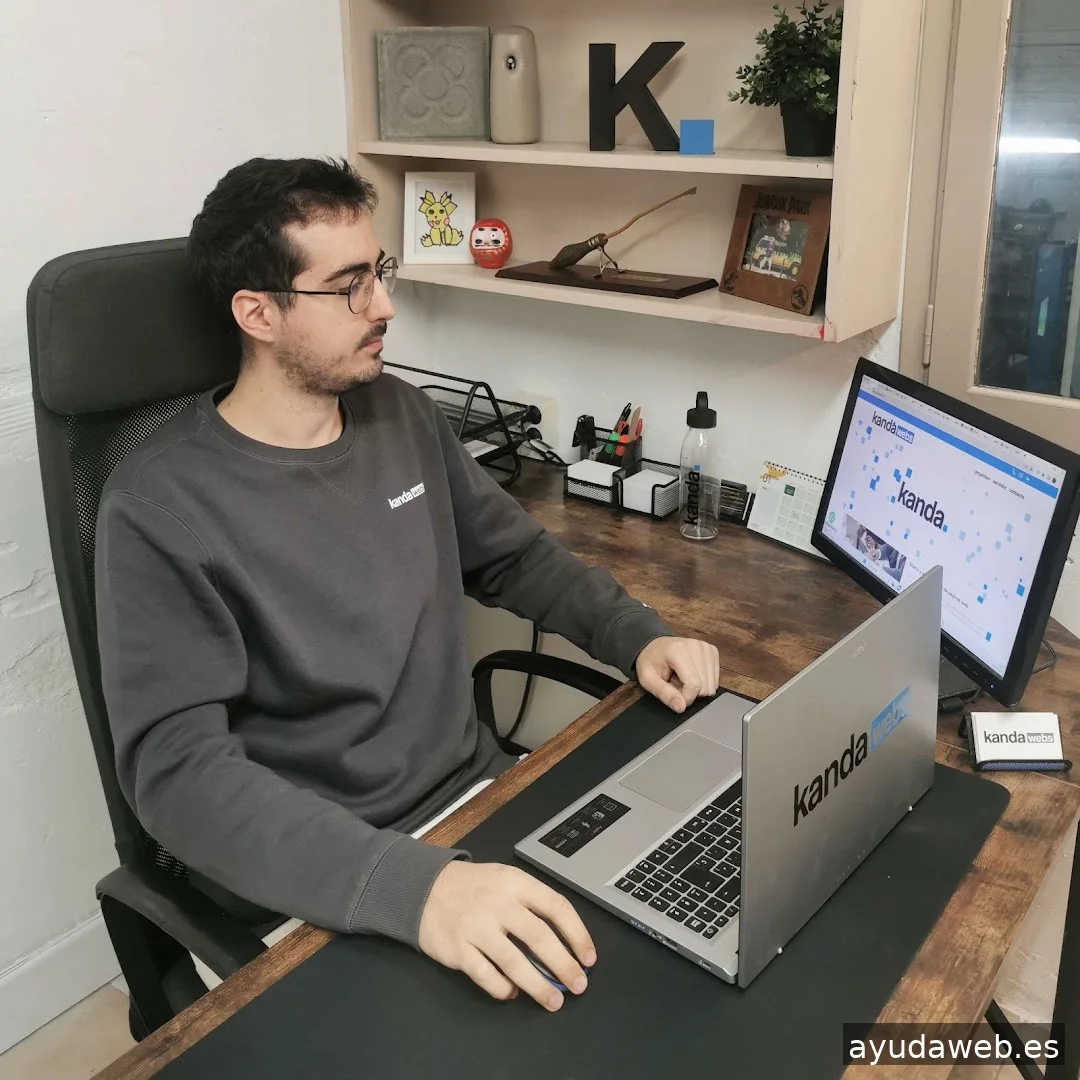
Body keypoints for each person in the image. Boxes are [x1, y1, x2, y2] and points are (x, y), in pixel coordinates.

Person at [94, 156, 722, 1014]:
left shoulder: (400, 411)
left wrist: (638, 635)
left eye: (379, 271)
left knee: (670, 977)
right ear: (258, 313)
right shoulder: (159, 504)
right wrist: (413, 888)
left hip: (480, 800)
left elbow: (514, 556)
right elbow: (177, 773)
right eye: (349, 286)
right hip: (330, 879)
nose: (385, 305)